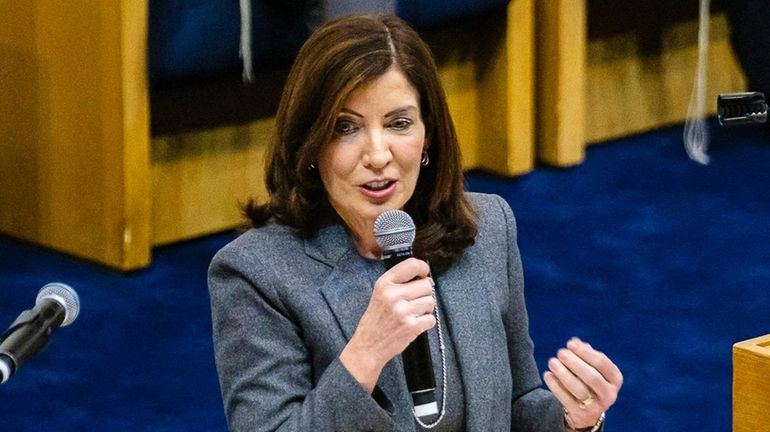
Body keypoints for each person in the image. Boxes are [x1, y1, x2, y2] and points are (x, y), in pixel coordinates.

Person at [208, 14, 623, 431]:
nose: (377, 154)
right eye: (345, 127)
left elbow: (517, 402)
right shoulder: (255, 274)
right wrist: (365, 354)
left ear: (428, 136)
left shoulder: (488, 228)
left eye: (398, 124)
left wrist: (575, 420)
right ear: (311, 142)